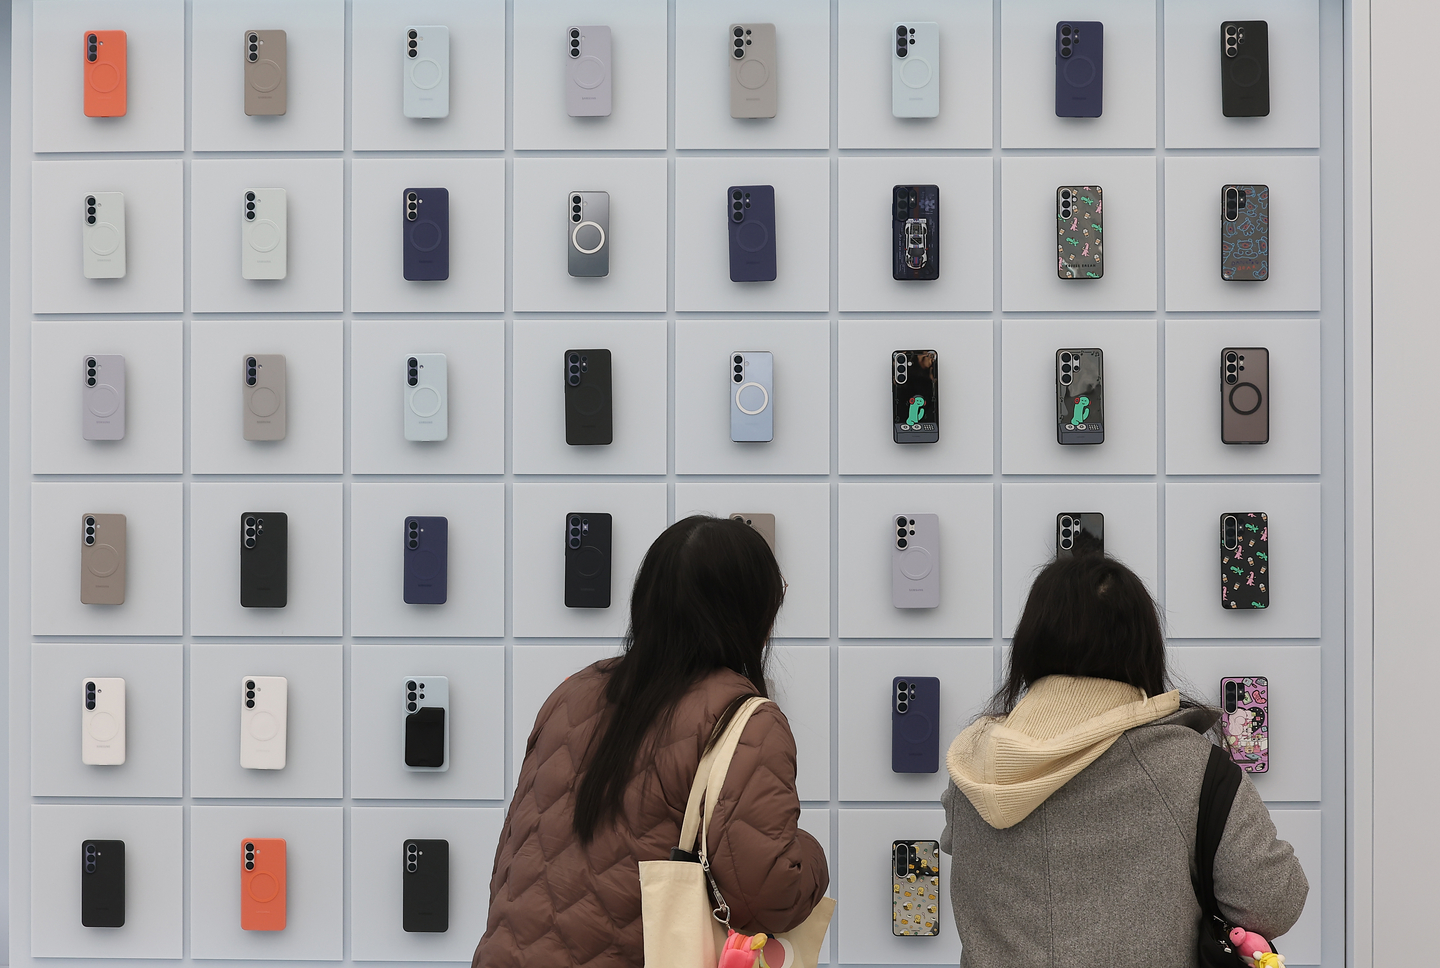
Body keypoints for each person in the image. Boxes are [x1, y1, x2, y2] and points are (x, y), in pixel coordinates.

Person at [475, 515, 828, 968]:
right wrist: (810, 853)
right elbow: (768, 897)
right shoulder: (743, 720)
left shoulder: (574, 692)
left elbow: (514, 855)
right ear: (750, 613)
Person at [940, 554, 1308, 966]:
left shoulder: (971, 763)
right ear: (1144, 644)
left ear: (1030, 642)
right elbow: (1275, 902)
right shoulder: (1191, 768)